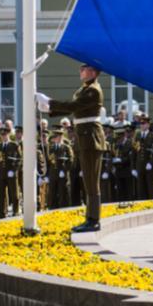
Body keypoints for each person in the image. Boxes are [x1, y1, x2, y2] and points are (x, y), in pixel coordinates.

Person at [36, 62, 109, 233]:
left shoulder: (93, 90)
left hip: (91, 139)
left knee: (91, 181)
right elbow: (74, 109)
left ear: (93, 72)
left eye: (84, 68)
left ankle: (93, 220)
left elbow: (73, 106)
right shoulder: (84, 89)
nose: (80, 71)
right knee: (88, 181)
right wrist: (49, 110)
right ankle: (90, 218)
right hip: (85, 138)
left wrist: (50, 102)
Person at [47, 129, 74, 209]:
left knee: (63, 192)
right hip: (53, 173)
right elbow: (49, 159)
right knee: (52, 192)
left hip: (62, 173)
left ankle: (64, 208)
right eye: (56, 137)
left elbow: (71, 160)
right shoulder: (51, 147)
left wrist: (64, 170)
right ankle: (52, 208)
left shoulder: (66, 147)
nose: (57, 138)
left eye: (59, 137)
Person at [134, 114, 153, 200]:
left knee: (150, 187)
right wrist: (134, 167)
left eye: (143, 123)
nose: (142, 125)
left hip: (149, 165)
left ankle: (152, 203)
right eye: (141, 123)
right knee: (141, 188)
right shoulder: (138, 135)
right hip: (140, 165)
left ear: (148, 124)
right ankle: (142, 204)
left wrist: (151, 163)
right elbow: (135, 151)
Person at [0, 127, 21, 216]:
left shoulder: (14, 145)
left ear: (8, 135)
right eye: (2, 135)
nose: (3, 136)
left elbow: (19, 159)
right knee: (1, 194)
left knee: (14, 193)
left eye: (5, 134)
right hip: (1, 172)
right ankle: (2, 212)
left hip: (11, 172)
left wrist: (14, 170)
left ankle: (16, 211)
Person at [112, 123, 136, 202]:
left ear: (124, 135)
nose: (118, 139)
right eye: (117, 137)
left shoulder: (130, 143)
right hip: (118, 171)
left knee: (128, 191)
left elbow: (131, 156)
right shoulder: (116, 144)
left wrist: (121, 160)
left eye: (120, 137)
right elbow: (113, 154)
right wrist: (114, 161)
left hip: (127, 170)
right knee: (120, 191)